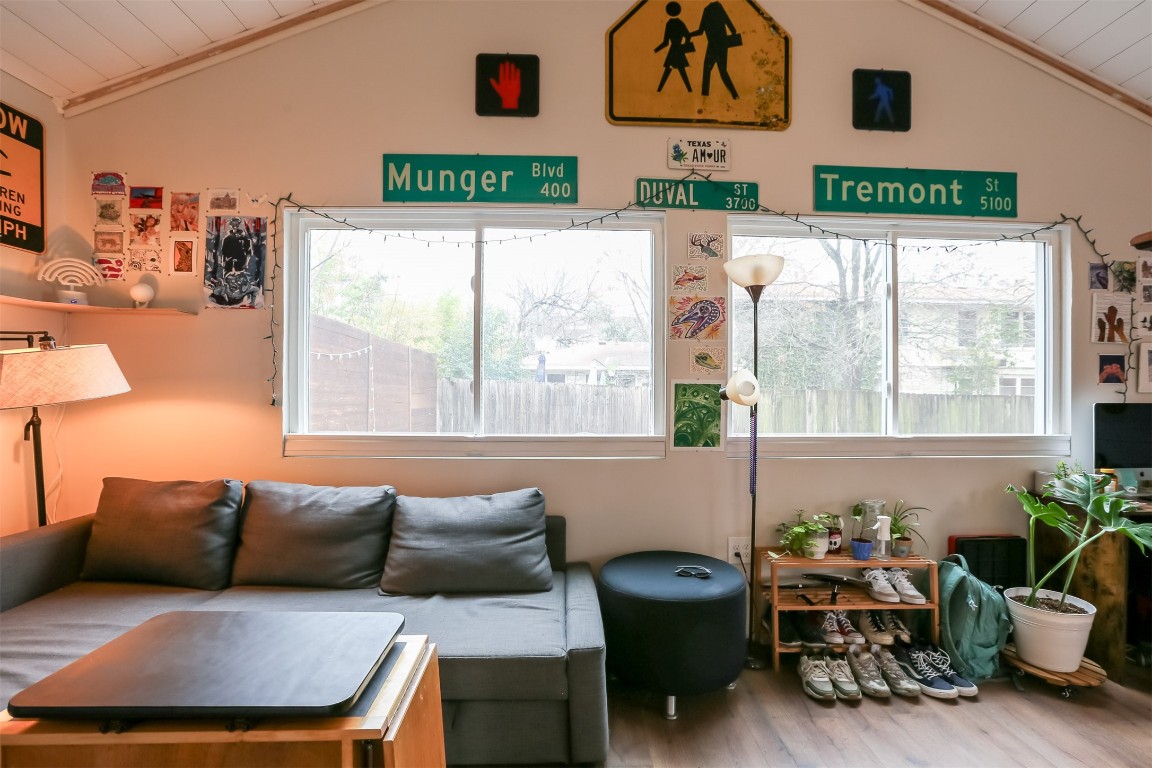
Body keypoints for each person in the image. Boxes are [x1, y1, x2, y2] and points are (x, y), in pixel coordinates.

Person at [692, 1, 739, 99]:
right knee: (722, 71)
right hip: (723, 44)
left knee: (707, 70)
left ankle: (705, 96)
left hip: (713, 45)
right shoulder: (719, 7)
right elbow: (731, 26)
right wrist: (732, 35)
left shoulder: (707, 10)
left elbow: (700, 31)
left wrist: (689, 34)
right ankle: (734, 95)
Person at [654, 2, 694, 93]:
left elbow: (665, 42)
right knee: (681, 72)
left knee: (668, 71)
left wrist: (656, 50)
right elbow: (688, 35)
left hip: (673, 51)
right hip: (679, 50)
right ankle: (689, 90)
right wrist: (684, 47)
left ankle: (659, 90)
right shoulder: (680, 23)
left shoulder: (669, 23)